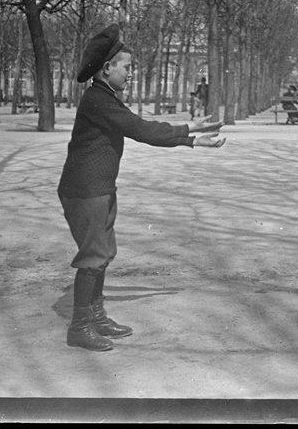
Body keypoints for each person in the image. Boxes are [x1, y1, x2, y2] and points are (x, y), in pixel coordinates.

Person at [58, 24, 225, 352]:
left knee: (104, 254)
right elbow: (141, 130)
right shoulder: (97, 100)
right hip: (85, 191)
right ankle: (79, 327)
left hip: (100, 188)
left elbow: (142, 129)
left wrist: (191, 139)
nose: (131, 74)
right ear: (108, 68)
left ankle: (96, 316)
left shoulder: (107, 98)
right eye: (127, 68)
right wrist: (189, 129)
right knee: (93, 256)